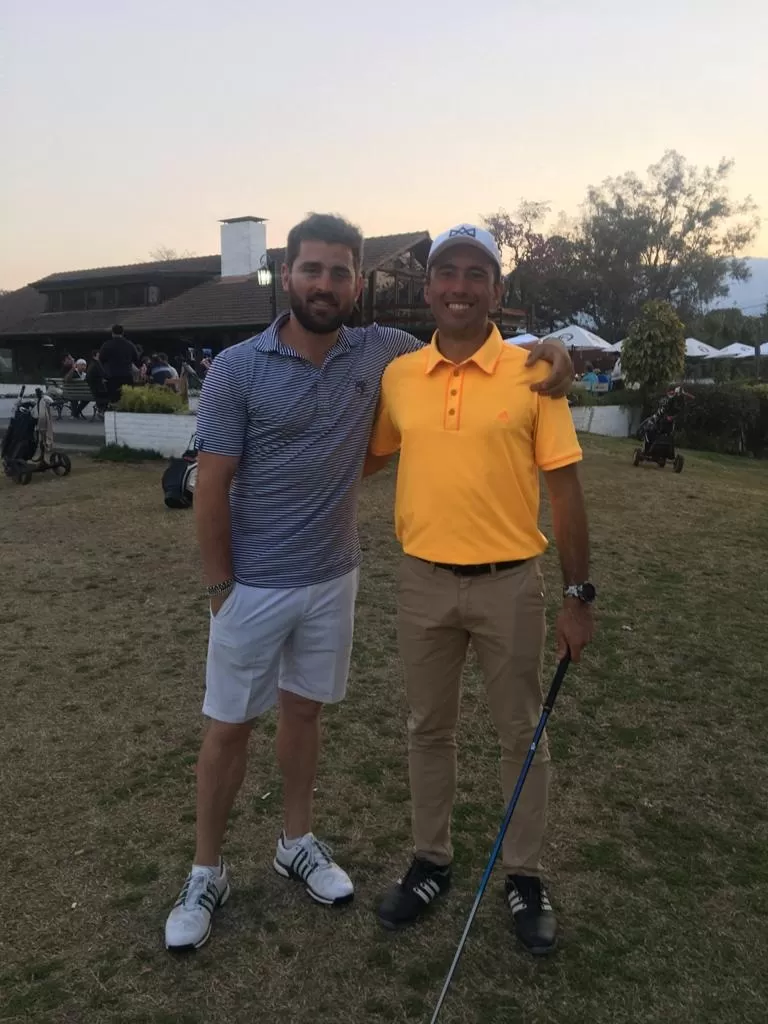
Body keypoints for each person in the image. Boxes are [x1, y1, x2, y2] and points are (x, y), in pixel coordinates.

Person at [163, 213, 575, 953]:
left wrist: (546, 347)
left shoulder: (381, 352)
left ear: (360, 282)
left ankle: (298, 842)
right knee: (230, 728)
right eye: (312, 270)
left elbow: (465, 344)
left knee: (305, 717)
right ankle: (205, 870)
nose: (325, 284)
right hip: (252, 584)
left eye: (339, 272)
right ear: (288, 275)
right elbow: (212, 483)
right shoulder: (239, 367)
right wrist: (219, 586)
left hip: (333, 578)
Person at [366, 224, 595, 955]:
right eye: (447, 273)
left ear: (498, 291)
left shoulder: (535, 374)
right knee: (427, 730)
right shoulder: (400, 376)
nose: (460, 287)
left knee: (521, 736)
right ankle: (431, 859)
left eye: (476, 274)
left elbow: (565, 494)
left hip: (509, 586)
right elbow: (367, 457)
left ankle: (524, 875)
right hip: (421, 583)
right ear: (428, 289)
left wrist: (578, 595)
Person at [98, 324, 140, 405]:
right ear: (123, 332)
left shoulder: (107, 345)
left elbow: (101, 359)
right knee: (127, 398)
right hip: (127, 375)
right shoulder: (129, 344)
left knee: (114, 399)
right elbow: (136, 358)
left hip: (112, 376)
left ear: (112, 333)